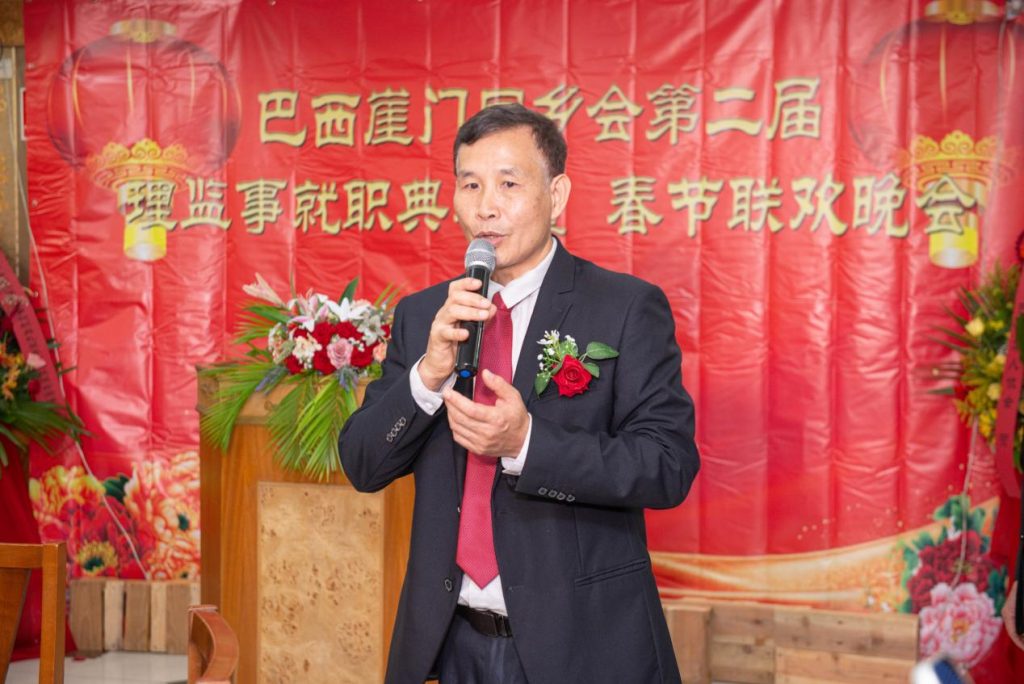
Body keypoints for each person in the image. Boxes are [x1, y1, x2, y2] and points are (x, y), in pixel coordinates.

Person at [339, 103, 700, 684]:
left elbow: (667, 465)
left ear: (556, 196)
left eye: (509, 184)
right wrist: (427, 376)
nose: (487, 206)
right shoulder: (424, 315)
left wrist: (528, 443)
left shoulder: (624, 308)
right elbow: (362, 463)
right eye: (471, 185)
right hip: (449, 643)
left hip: (582, 646)